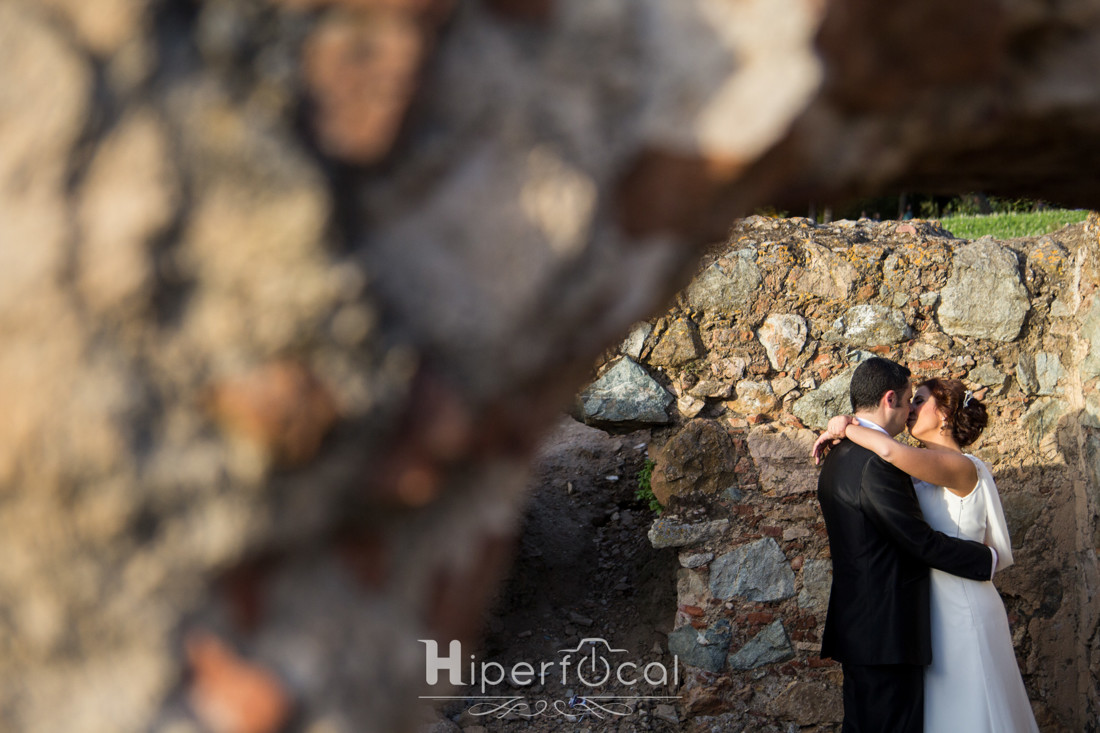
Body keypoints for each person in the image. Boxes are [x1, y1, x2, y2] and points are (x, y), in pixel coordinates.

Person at [813, 375, 1039, 732]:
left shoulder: (961, 465)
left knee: (971, 704)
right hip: (929, 606)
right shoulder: (915, 464)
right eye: (910, 401)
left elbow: (888, 449)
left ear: (946, 414)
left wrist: (847, 425)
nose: (911, 409)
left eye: (919, 401)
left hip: (962, 600)